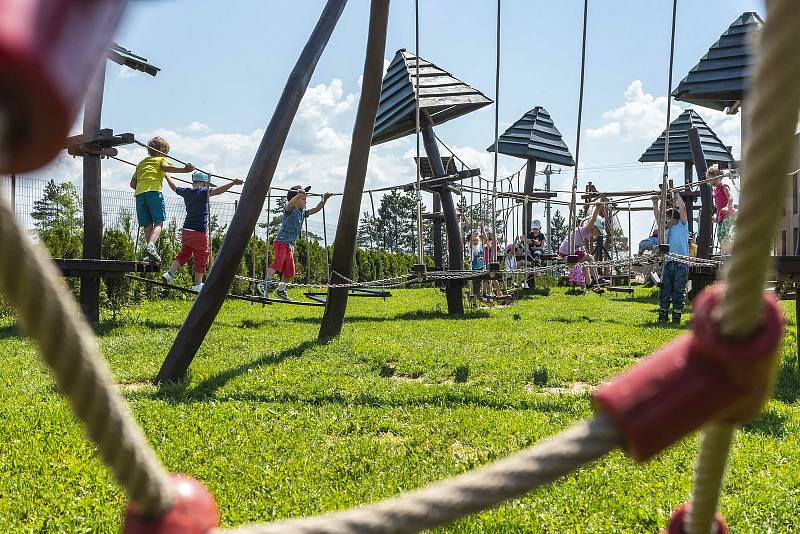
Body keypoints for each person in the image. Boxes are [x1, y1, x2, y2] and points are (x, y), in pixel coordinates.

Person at [161, 171, 243, 292]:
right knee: (202, 255)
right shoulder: (204, 191)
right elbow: (218, 191)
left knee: (185, 253)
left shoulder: (187, 191)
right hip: (199, 232)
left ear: (193, 182)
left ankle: (169, 273)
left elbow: (174, 186)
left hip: (186, 230)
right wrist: (232, 183)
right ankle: (197, 284)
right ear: (205, 184)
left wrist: (167, 175)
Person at [129, 136, 194, 262]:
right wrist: (185, 170)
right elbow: (166, 168)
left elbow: (132, 184)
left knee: (147, 224)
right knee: (159, 222)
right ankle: (151, 246)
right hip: (153, 192)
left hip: (139, 195)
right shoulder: (162, 159)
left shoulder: (142, 162)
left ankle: (150, 253)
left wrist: (143, 186)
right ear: (163, 150)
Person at [261, 185, 331, 300]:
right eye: (303, 199)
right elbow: (289, 204)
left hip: (289, 246)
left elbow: (317, 209)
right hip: (281, 243)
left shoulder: (303, 213)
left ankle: (281, 290)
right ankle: (266, 284)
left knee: (290, 272)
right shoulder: (289, 210)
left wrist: (324, 199)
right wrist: (297, 195)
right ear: (295, 200)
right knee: (278, 264)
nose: (306, 202)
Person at [654, 193, 689, 325]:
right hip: (668, 264)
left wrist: (676, 195)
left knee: (678, 291)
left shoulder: (682, 226)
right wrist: (655, 204)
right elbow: (658, 218)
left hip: (681, 264)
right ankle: (663, 315)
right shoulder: (666, 231)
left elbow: (682, 208)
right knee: (665, 289)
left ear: (674, 219)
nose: (665, 222)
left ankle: (676, 316)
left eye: (668, 220)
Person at [558, 201, 602, 290]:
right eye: (598, 231)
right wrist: (597, 208)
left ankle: (589, 283)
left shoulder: (586, 231)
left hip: (565, 250)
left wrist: (592, 205)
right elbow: (593, 219)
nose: (598, 233)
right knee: (590, 258)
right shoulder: (586, 229)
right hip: (568, 251)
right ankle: (597, 278)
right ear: (594, 227)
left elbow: (589, 216)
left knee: (585, 263)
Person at [708, 164, 736, 254]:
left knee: (725, 232)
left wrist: (728, 207)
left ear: (719, 177)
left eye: (714, 179)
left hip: (728, 213)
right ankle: (724, 250)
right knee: (719, 235)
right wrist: (716, 215)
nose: (712, 182)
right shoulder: (715, 190)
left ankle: (729, 250)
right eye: (710, 180)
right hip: (721, 216)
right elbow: (717, 204)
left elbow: (731, 198)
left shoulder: (724, 187)